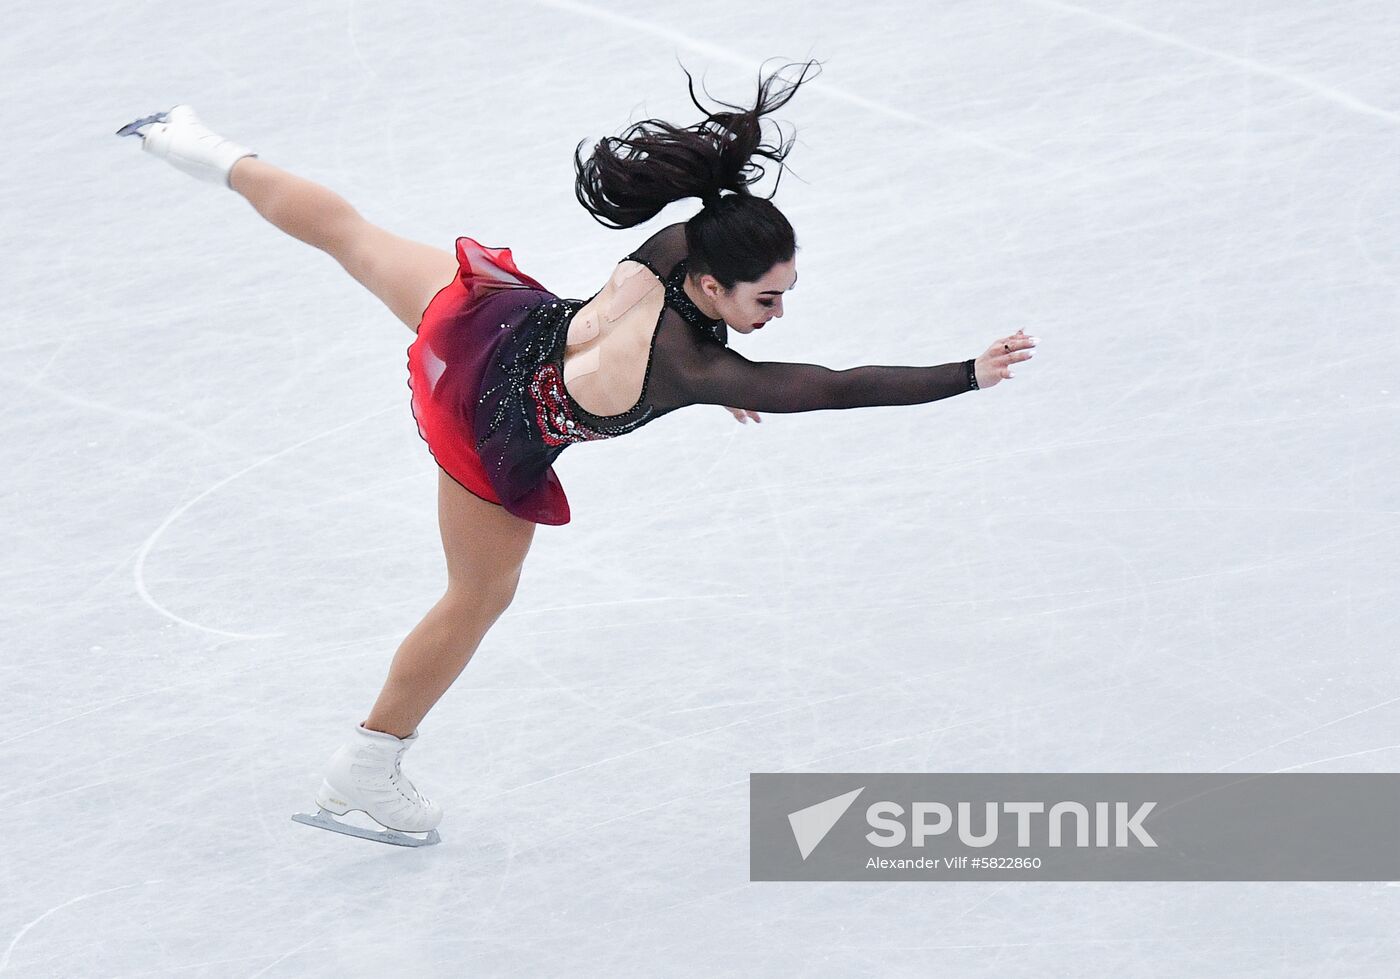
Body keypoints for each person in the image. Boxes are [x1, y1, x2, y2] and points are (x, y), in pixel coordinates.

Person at [116, 60, 1037, 847]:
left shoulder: (683, 245)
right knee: (478, 595)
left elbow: (738, 326)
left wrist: (733, 366)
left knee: (349, 235)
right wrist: (966, 373)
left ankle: (182, 139)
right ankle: (364, 766)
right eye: (767, 300)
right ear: (713, 285)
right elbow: (832, 384)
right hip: (491, 426)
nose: (779, 314)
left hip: (488, 325)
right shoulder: (694, 370)